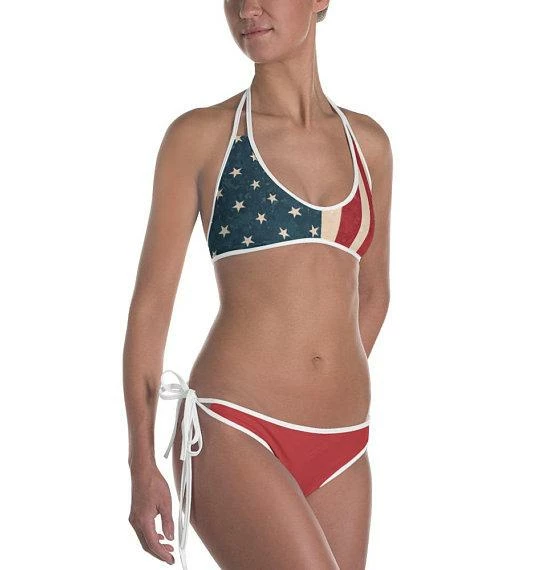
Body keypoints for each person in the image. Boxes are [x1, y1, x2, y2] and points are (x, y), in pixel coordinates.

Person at [123, 1, 392, 568]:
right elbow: (151, 310)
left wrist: (318, 380)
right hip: (235, 429)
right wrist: (141, 464)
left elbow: (373, 293)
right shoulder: (202, 137)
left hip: (344, 444)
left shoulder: (369, 145)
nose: (247, 8)